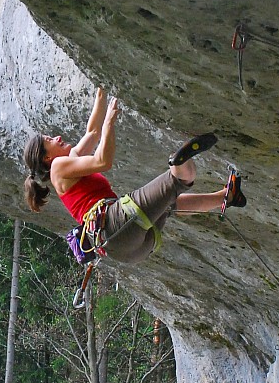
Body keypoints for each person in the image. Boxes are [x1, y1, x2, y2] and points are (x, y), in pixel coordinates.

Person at [23, 88, 245, 265]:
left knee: (169, 203)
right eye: (49, 140)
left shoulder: (66, 164)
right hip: (114, 224)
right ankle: (180, 163)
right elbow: (103, 161)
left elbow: (92, 132)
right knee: (177, 181)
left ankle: (226, 196)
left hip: (128, 249)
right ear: (46, 158)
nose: (57, 137)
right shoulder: (58, 168)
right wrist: (110, 123)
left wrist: (101, 91)